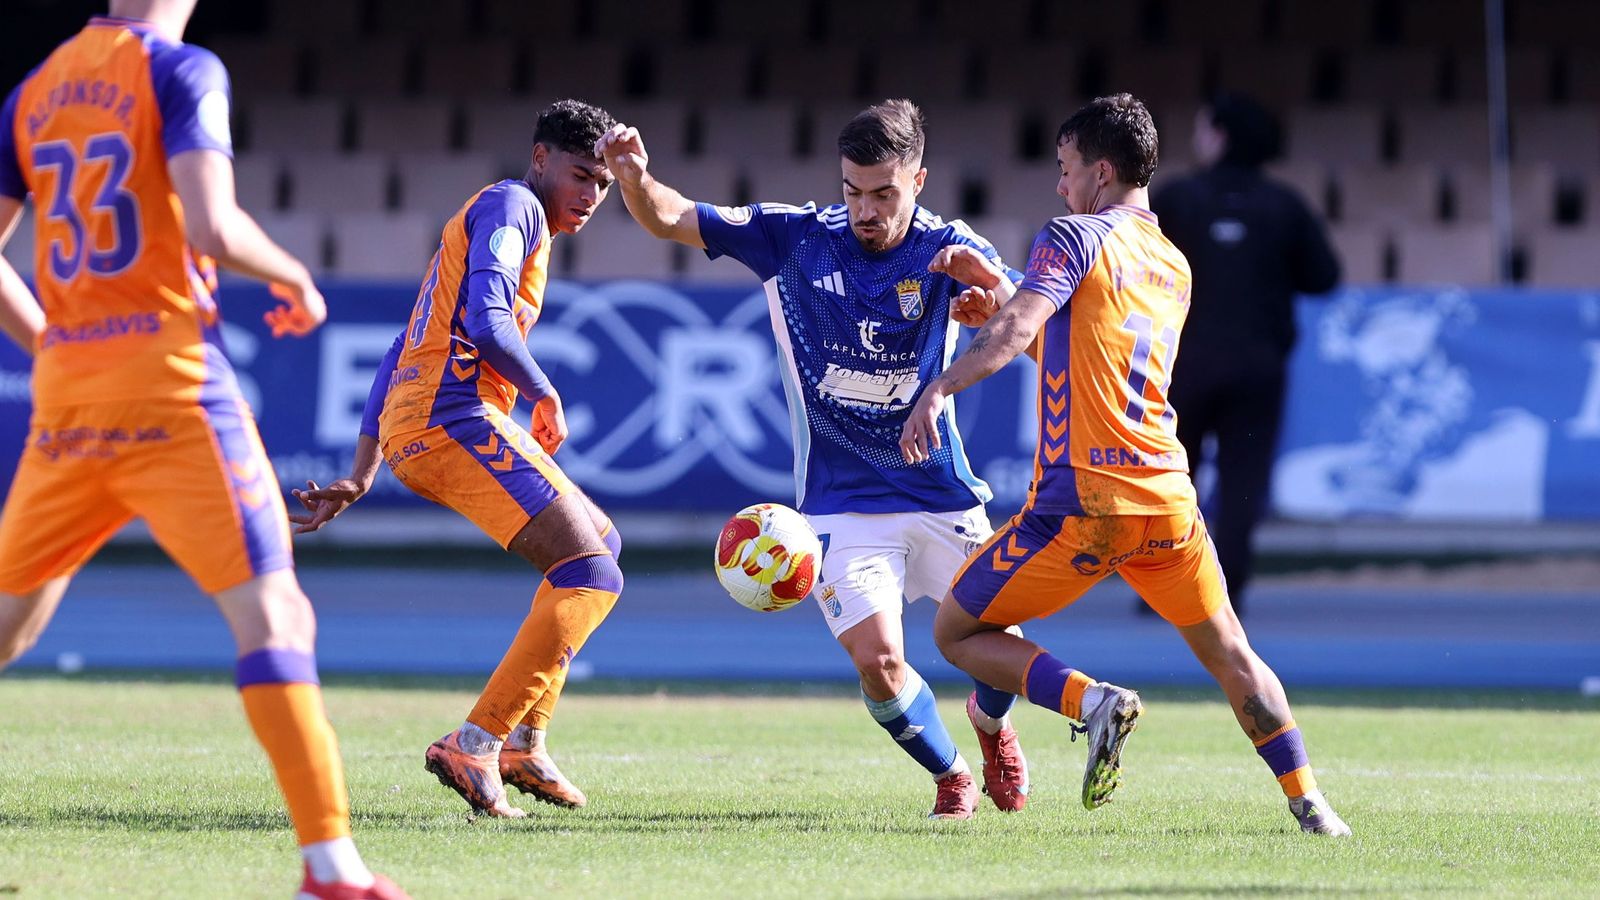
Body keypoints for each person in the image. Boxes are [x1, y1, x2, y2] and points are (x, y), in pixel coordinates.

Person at [0, 2, 409, 897]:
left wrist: (51, 344)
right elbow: (212, 226)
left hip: (69, 399)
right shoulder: (183, 72)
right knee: (276, 621)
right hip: (176, 389)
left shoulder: (34, 93)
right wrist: (293, 273)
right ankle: (330, 868)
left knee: (7, 628)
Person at [900, 94, 1351, 836]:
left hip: (1084, 503)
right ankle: (1312, 804)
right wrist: (1008, 313)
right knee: (1234, 653)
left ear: (1101, 172)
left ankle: (1090, 702)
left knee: (956, 632)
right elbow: (1082, 352)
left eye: (1066, 168)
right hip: (1168, 501)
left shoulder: (1073, 236)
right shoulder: (1172, 262)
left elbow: (1022, 323)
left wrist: (941, 385)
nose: (1060, 185)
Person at [597, 99, 1031, 820]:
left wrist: (991, 293)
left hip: (940, 493)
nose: (866, 210)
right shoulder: (794, 238)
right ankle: (952, 775)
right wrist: (637, 179)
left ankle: (991, 729)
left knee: (997, 646)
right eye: (852, 191)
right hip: (839, 501)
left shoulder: (948, 247)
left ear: (918, 180)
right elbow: (672, 217)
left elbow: (1022, 316)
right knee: (879, 662)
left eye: (884, 193)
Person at [291, 99, 624, 820]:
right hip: (455, 418)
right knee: (592, 571)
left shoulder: (490, 217)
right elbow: (488, 319)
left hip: (424, 424)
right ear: (540, 160)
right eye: (580, 175)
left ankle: (524, 743)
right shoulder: (515, 210)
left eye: (602, 182)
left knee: (600, 545)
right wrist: (544, 391)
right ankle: (477, 740)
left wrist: (362, 469)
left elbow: (398, 348)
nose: (592, 195)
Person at [1150, 92, 1341, 615]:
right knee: (1243, 481)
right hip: (1258, 367)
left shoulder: (1177, 198)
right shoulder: (1284, 204)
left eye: (1202, 127)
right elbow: (1324, 276)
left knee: (1169, 476)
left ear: (1220, 135)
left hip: (1180, 366)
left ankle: (1165, 590)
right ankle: (1224, 594)